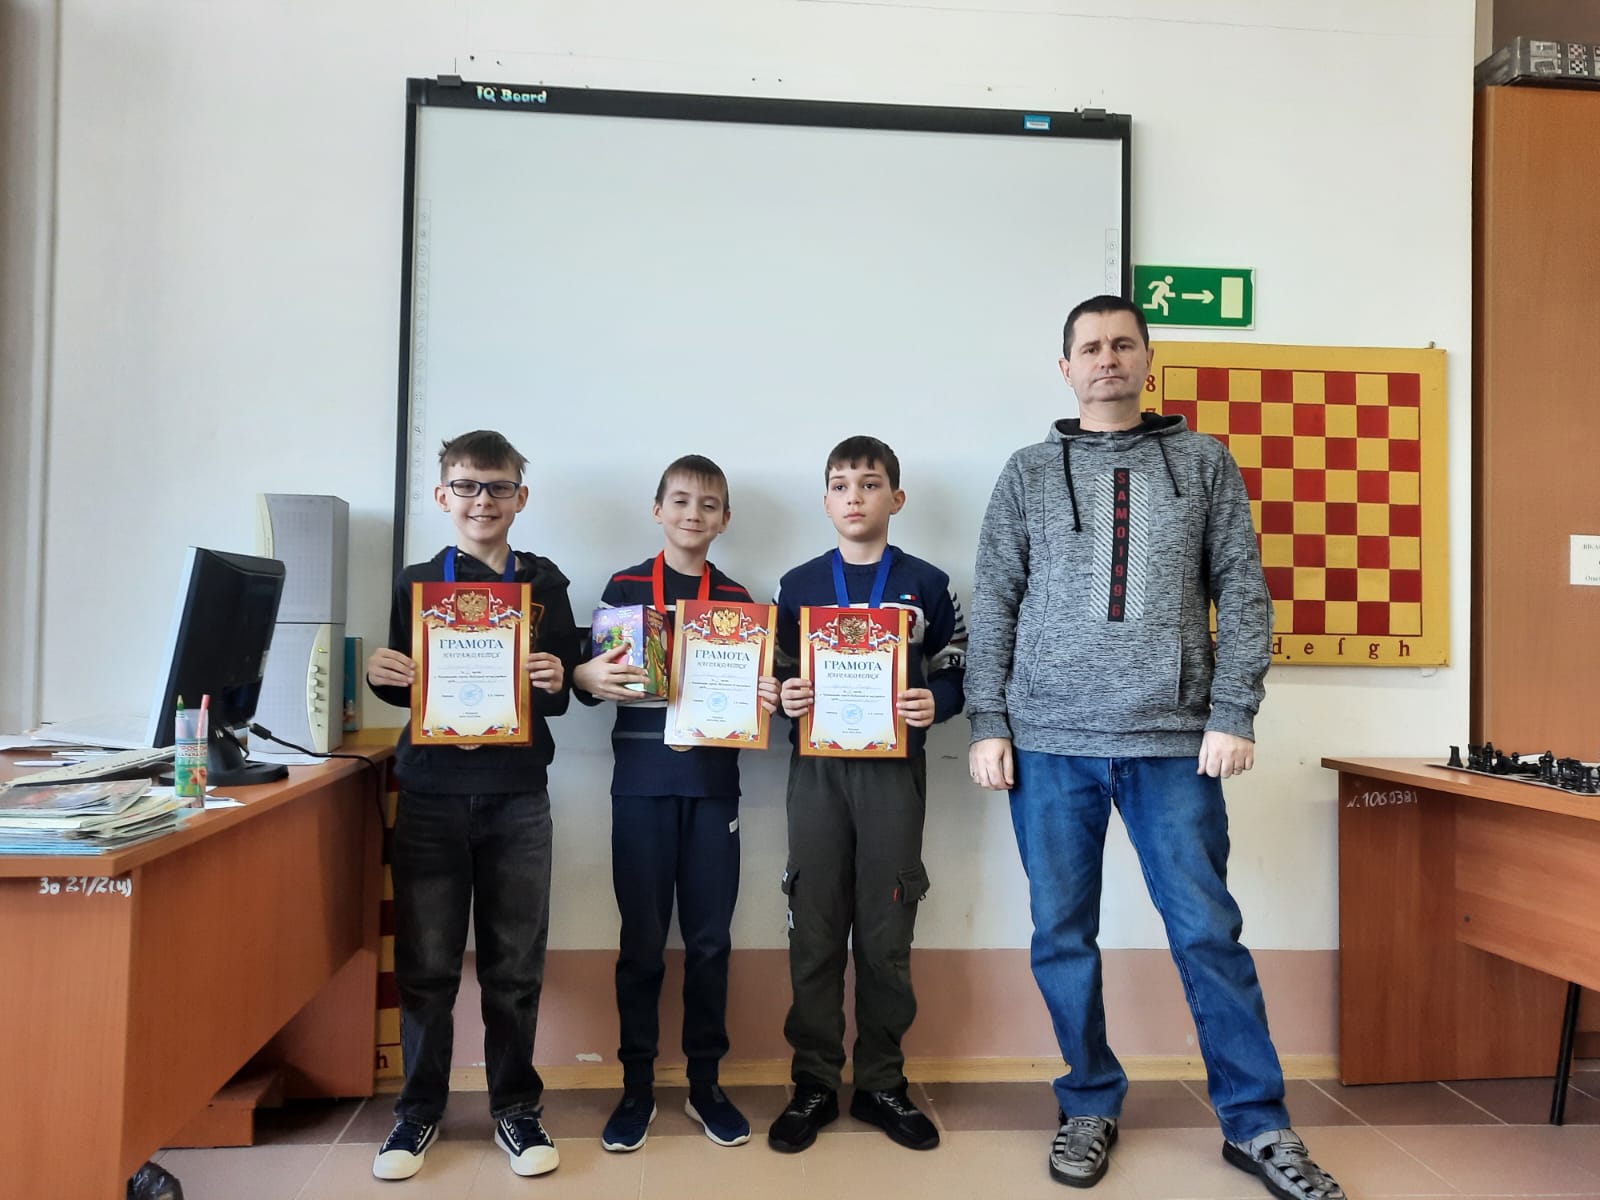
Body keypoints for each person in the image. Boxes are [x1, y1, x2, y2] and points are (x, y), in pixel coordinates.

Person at [965, 296, 1346, 1199]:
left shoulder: (1204, 462)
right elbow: (995, 600)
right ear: (1066, 367)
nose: (1108, 358)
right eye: (1091, 347)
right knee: (1062, 936)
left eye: (1123, 344)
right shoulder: (1027, 472)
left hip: (1175, 744)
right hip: (1049, 744)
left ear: (1146, 358)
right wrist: (988, 721)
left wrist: (1234, 712)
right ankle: (1088, 1103)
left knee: (1208, 933)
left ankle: (1256, 1123)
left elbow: (1243, 593)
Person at [365, 429, 582, 1182]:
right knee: (425, 966)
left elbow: (558, 695)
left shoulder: (546, 586)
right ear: (442, 495)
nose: (481, 500)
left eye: (497, 487)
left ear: (521, 497)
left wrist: (556, 676)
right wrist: (381, 672)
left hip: (518, 796)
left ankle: (515, 1108)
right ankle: (418, 1109)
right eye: (466, 486)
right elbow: (402, 684)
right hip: (430, 792)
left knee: (514, 967)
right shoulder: (416, 583)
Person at [572, 454, 779, 1153]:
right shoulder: (626, 587)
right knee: (642, 943)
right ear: (658, 509)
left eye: (709, 504)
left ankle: (705, 1085)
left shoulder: (741, 600)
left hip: (713, 790)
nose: (694, 514)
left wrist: (766, 695)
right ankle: (636, 1087)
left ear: (725, 519)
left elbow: (761, 696)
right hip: (640, 788)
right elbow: (597, 682)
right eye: (682, 501)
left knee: (710, 942)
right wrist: (588, 676)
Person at [768, 435, 966, 1154]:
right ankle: (814, 1082)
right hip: (817, 774)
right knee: (815, 929)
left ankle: (882, 1081)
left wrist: (937, 703)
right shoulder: (797, 585)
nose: (855, 496)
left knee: (886, 935)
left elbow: (958, 669)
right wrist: (786, 696)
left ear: (896, 498)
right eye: (841, 485)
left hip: (894, 775)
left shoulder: (928, 583)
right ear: (825, 502)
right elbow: (775, 677)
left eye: (871, 483)